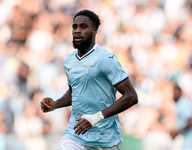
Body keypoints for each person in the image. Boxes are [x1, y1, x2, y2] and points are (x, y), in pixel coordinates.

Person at [40, 9, 138, 150]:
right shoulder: (68, 61)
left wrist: (96, 117)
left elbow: (131, 96)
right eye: (75, 27)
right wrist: (55, 104)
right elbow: (75, 93)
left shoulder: (106, 59)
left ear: (94, 31)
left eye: (83, 27)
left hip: (105, 139)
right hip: (75, 135)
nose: (77, 31)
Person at [170, 83, 192, 150]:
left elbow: (190, 121)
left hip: (189, 143)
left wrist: (177, 132)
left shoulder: (182, 104)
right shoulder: (181, 104)